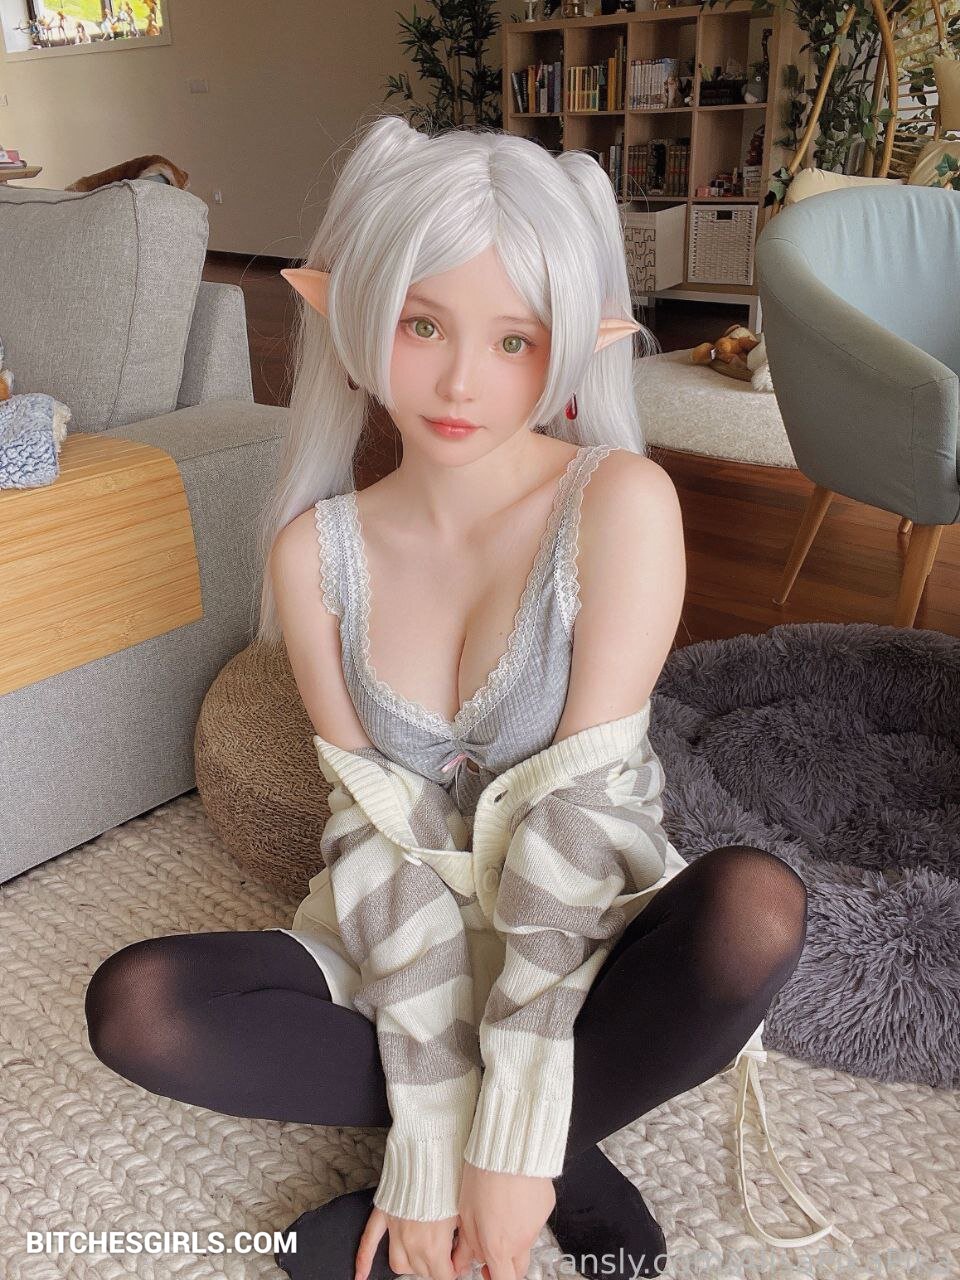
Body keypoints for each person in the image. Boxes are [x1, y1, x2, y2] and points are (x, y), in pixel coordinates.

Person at [83, 112, 839, 1280]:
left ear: (577, 345)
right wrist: (437, 1141)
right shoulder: (314, 554)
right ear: (347, 315)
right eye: (421, 322)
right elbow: (370, 831)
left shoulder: (620, 505)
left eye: (514, 339)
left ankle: (536, 1150)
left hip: (584, 924)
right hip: (398, 939)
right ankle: (563, 1163)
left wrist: (510, 1135)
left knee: (754, 909)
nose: (458, 381)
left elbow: (581, 815)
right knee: (137, 1004)